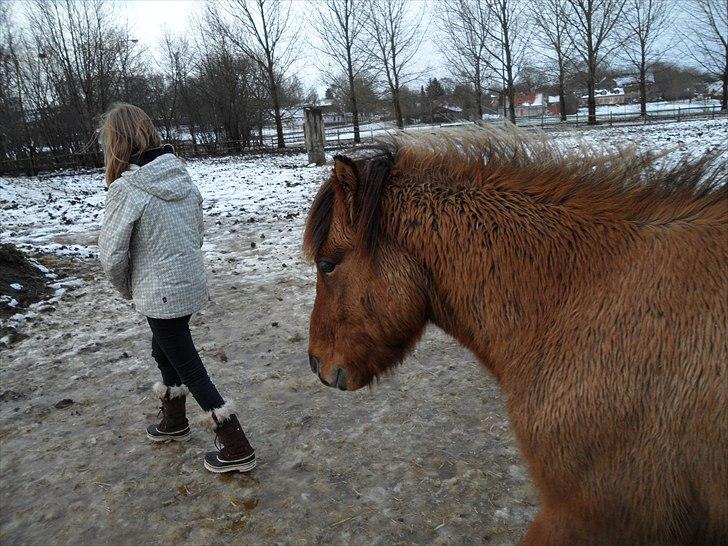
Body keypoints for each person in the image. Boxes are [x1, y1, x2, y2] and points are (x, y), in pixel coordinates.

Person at [97, 103, 255, 474]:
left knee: (188, 364)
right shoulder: (181, 176)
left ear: (116, 142)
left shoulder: (127, 189)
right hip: (187, 286)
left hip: (158, 292)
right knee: (163, 348)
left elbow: (112, 256)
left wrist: (128, 289)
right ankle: (174, 422)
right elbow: (197, 233)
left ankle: (236, 445)